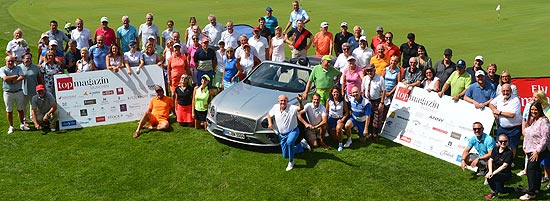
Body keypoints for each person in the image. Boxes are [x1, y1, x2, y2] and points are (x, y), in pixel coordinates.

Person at [519, 102, 550, 200]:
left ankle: (531, 192)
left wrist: (537, 151)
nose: (533, 111)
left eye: (535, 109)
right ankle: (536, 189)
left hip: (539, 150)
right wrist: (524, 147)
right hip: (529, 149)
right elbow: (527, 134)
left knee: (531, 169)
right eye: (532, 109)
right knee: (535, 169)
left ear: (540, 110)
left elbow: (545, 138)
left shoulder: (544, 121)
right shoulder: (532, 120)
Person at [267, 94, 305, 171]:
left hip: (293, 131)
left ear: (287, 101)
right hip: (282, 135)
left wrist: (300, 102)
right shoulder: (275, 107)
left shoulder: (292, 108)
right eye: (281, 100)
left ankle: (291, 162)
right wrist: (270, 123)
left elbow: (301, 108)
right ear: (278, 101)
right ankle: (301, 146)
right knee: (285, 155)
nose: (283, 102)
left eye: (285, 100)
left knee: (290, 142)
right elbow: (268, 115)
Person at [518, 90, 550, 179]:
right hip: (532, 138)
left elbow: (545, 137)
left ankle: (535, 187)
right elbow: (526, 119)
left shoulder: (547, 111)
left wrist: (538, 150)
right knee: (533, 166)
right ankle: (536, 185)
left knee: (542, 162)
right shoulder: (530, 107)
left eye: (535, 97)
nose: (533, 99)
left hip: (543, 141)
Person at [489, 84, 522, 158]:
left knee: (512, 146)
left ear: (511, 91)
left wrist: (499, 112)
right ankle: (500, 160)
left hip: (514, 127)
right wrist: (494, 110)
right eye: (504, 91)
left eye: (507, 91)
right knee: (499, 144)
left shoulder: (515, 99)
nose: (505, 92)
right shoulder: (500, 97)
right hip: (502, 127)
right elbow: (491, 104)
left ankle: (510, 162)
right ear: (501, 91)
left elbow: (512, 115)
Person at [1, 56, 29, 134]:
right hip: (8, 92)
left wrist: (13, 81)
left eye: (12, 61)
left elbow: (22, 76)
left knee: (20, 109)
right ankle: (11, 126)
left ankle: (22, 124)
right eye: (9, 61)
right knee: (9, 110)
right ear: (6, 62)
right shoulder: (2, 69)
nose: (10, 63)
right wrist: (16, 76)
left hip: (18, 91)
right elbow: (5, 79)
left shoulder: (18, 68)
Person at [484, 134, 515, 199]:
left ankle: (515, 189)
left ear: (507, 142)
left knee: (500, 189)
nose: (503, 143)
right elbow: (490, 160)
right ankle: (494, 191)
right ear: (498, 142)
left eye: (505, 141)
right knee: (490, 177)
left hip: (505, 174)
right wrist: (490, 171)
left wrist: (492, 173)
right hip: (496, 172)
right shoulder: (495, 149)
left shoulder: (509, 152)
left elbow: (504, 166)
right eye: (501, 141)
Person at [363, 64, 386, 141]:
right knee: (369, 117)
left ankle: (375, 134)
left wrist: (382, 103)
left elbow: (383, 91)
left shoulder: (380, 78)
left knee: (377, 118)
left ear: (374, 70)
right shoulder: (365, 78)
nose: (369, 72)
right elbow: (363, 90)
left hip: (377, 101)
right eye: (368, 71)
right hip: (367, 101)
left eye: (371, 71)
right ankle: (369, 133)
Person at [19, 53, 41, 124]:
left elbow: (39, 78)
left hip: (33, 89)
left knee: (33, 105)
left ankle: (33, 118)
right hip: (22, 90)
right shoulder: (18, 67)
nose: (29, 60)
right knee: (23, 106)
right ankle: (24, 120)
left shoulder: (36, 68)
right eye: (27, 58)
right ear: (23, 59)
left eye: (30, 58)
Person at [326, 87, 349, 151]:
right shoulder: (329, 100)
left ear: (339, 93)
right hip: (331, 119)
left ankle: (340, 144)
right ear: (332, 93)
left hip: (339, 119)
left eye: (337, 92)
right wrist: (326, 120)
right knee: (335, 138)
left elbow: (347, 112)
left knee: (338, 128)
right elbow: (326, 112)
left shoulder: (342, 101)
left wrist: (342, 120)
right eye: (334, 92)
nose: (335, 93)